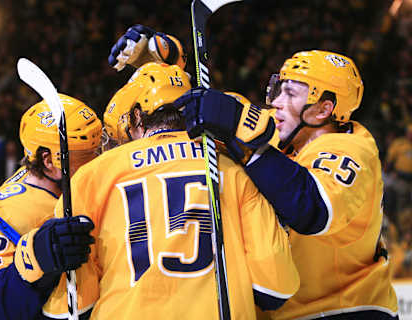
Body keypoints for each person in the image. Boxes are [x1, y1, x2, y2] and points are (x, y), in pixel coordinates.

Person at [40, 62, 299, 319]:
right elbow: (275, 288)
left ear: (137, 117)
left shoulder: (93, 175)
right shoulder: (231, 169)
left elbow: (75, 305)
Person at [178, 50, 399, 319]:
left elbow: (312, 209)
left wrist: (246, 143)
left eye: (291, 94)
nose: (277, 103)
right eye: (278, 90)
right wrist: (171, 64)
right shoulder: (286, 134)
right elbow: (220, 111)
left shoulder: (351, 147)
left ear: (323, 109)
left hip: (346, 310)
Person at [0, 94, 102, 320]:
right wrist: (36, 257)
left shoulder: (69, 181)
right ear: (48, 160)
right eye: (85, 155)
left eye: (97, 149)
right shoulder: (7, 211)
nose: (96, 160)